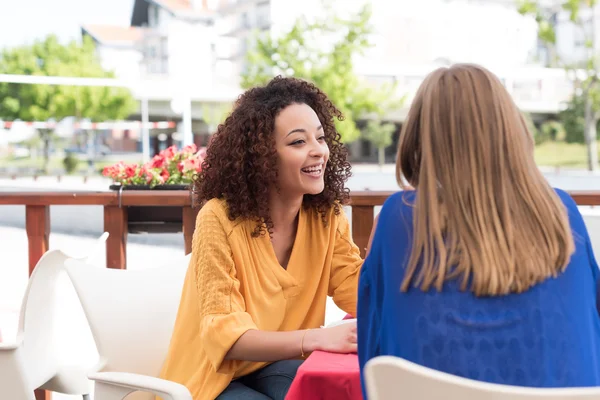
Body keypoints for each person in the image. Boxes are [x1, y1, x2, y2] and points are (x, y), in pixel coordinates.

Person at [357, 63, 600, 396]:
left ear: (420, 135)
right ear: (512, 130)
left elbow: (373, 356)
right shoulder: (562, 212)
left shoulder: (397, 219)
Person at [159, 76, 363, 400]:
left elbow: (358, 289)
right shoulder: (218, 218)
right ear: (262, 157)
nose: (318, 151)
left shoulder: (327, 217)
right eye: (298, 142)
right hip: (209, 378)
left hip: (275, 364)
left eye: (320, 138)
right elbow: (226, 339)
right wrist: (316, 339)